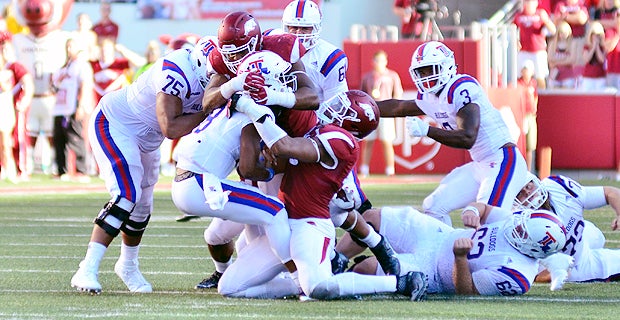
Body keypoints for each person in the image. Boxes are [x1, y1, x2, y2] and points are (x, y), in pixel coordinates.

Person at [225, 89, 428, 301]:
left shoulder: (343, 140)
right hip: (281, 223)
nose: (333, 108)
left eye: (342, 109)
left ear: (353, 124)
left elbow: (285, 145)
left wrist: (249, 107)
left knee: (318, 287)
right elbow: (283, 158)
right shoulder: (321, 131)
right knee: (229, 288)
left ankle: (399, 283)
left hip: (310, 225)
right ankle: (298, 285)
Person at [70, 36, 217, 294]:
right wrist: (211, 109)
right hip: (115, 124)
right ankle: (87, 268)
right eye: (216, 73)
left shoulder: (212, 73)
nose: (219, 79)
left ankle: (128, 265)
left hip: (148, 139)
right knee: (126, 196)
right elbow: (170, 128)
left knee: (142, 206)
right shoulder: (176, 71)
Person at [376, 41, 530, 226]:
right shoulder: (430, 96)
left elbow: (467, 138)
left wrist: (428, 131)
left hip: (502, 160)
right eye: (421, 72)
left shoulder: (461, 88)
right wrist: (365, 107)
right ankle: (447, 251)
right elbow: (399, 106)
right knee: (433, 206)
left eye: (429, 70)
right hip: (481, 164)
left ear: (446, 67)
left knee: (488, 223)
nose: (424, 76)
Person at [337, 204, 567, 296]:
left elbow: (466, 291)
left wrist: (460, 258)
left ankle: (332, 279)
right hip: (438, 235)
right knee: (373, 218)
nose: (517, 226)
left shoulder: (517, 275)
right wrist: (472, 211)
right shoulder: (514, 222)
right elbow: (484, 209)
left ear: (533, 248)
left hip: (434, 272)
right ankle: (332, 260)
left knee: (365, 268)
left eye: (523, 232)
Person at [513, 173, 620, 290]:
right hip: (576, 263)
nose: (528, 193)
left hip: (583, 235)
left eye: (528, 186)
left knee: (598, 235)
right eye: (520, 193)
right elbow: (533, 274)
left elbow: (609, 192)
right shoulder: (518, 227)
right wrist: (555, 272)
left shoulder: (557, 186)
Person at [50, 37, 94, 181]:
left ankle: (82, 170)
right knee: (59, 139)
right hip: (59, 107)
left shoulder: (82, 65)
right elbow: (54, 86)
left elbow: (85, 85)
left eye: (72, 47)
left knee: (75, 137)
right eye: (67, 47)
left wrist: (81, 105)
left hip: (73, 106)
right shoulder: (64, 67)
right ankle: (61, 170)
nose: (69, 50)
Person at [359, 50, 403, 177]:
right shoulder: (367, 77)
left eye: (382, 60)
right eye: (377, 60)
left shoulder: (392, 76)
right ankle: (365, 169)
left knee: (387, 141)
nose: (380, 63)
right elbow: (361, 95)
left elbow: (398, 94)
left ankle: (390, 170)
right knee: (368, 141)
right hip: (370, 113)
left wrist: (396, 110)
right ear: (373, 62)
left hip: (386, 113)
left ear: (386, 61)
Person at [1, 31, 33, 182]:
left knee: (19, 137)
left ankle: (22, 168)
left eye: (6, 49)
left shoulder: (15, 66)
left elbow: (28, 82)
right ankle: (5, 167)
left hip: (16, 107)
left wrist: (25, 99)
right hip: (6, 107)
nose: (4, 52)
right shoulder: (4, 67)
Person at [513, 0, 556, 89]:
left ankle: (543, 97)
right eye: (526, 1)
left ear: (536, 3)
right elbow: (512, 29)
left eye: (531, 1)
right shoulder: (519, 16)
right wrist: (515, 40)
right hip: (524, 50)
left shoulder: (540, 14)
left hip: (538, 51)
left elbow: (553, 31)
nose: (528, 4)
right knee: (521, 75)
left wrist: (547, 21)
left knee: (540, 76)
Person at [580, 21, 616, 90]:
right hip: (588, 77)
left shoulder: (604, 47)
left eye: (598, 35)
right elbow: (586, 59)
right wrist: (593, 47)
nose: (596, 37)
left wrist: (597, 47)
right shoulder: (586, 47)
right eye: (594, 34)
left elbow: (602, 59)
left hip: (600, 77)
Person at [0, 35, 17, 182]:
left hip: (5, 110)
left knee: (6, 143)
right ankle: (3, 170)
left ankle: (12, 171)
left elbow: (7, 87)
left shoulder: (8, 72)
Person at [517, 60, 538, 172]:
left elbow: (535, 97)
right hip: (523, 116)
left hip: (531, 116)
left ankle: (529, 171)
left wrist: (534, 108)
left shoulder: (533, 83)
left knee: (530, 145)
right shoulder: (519, 84)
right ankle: (522, 171)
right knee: (522, 145)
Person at [547, 20, 579, 89]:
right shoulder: (553, 43)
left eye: (565, 33)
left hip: (568, 76)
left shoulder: (572, 44)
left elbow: (572, 60)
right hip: (555, 76)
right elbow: (549, 58)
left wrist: (556, 63)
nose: (563, 35)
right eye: (561, 33)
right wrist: (564, 60)